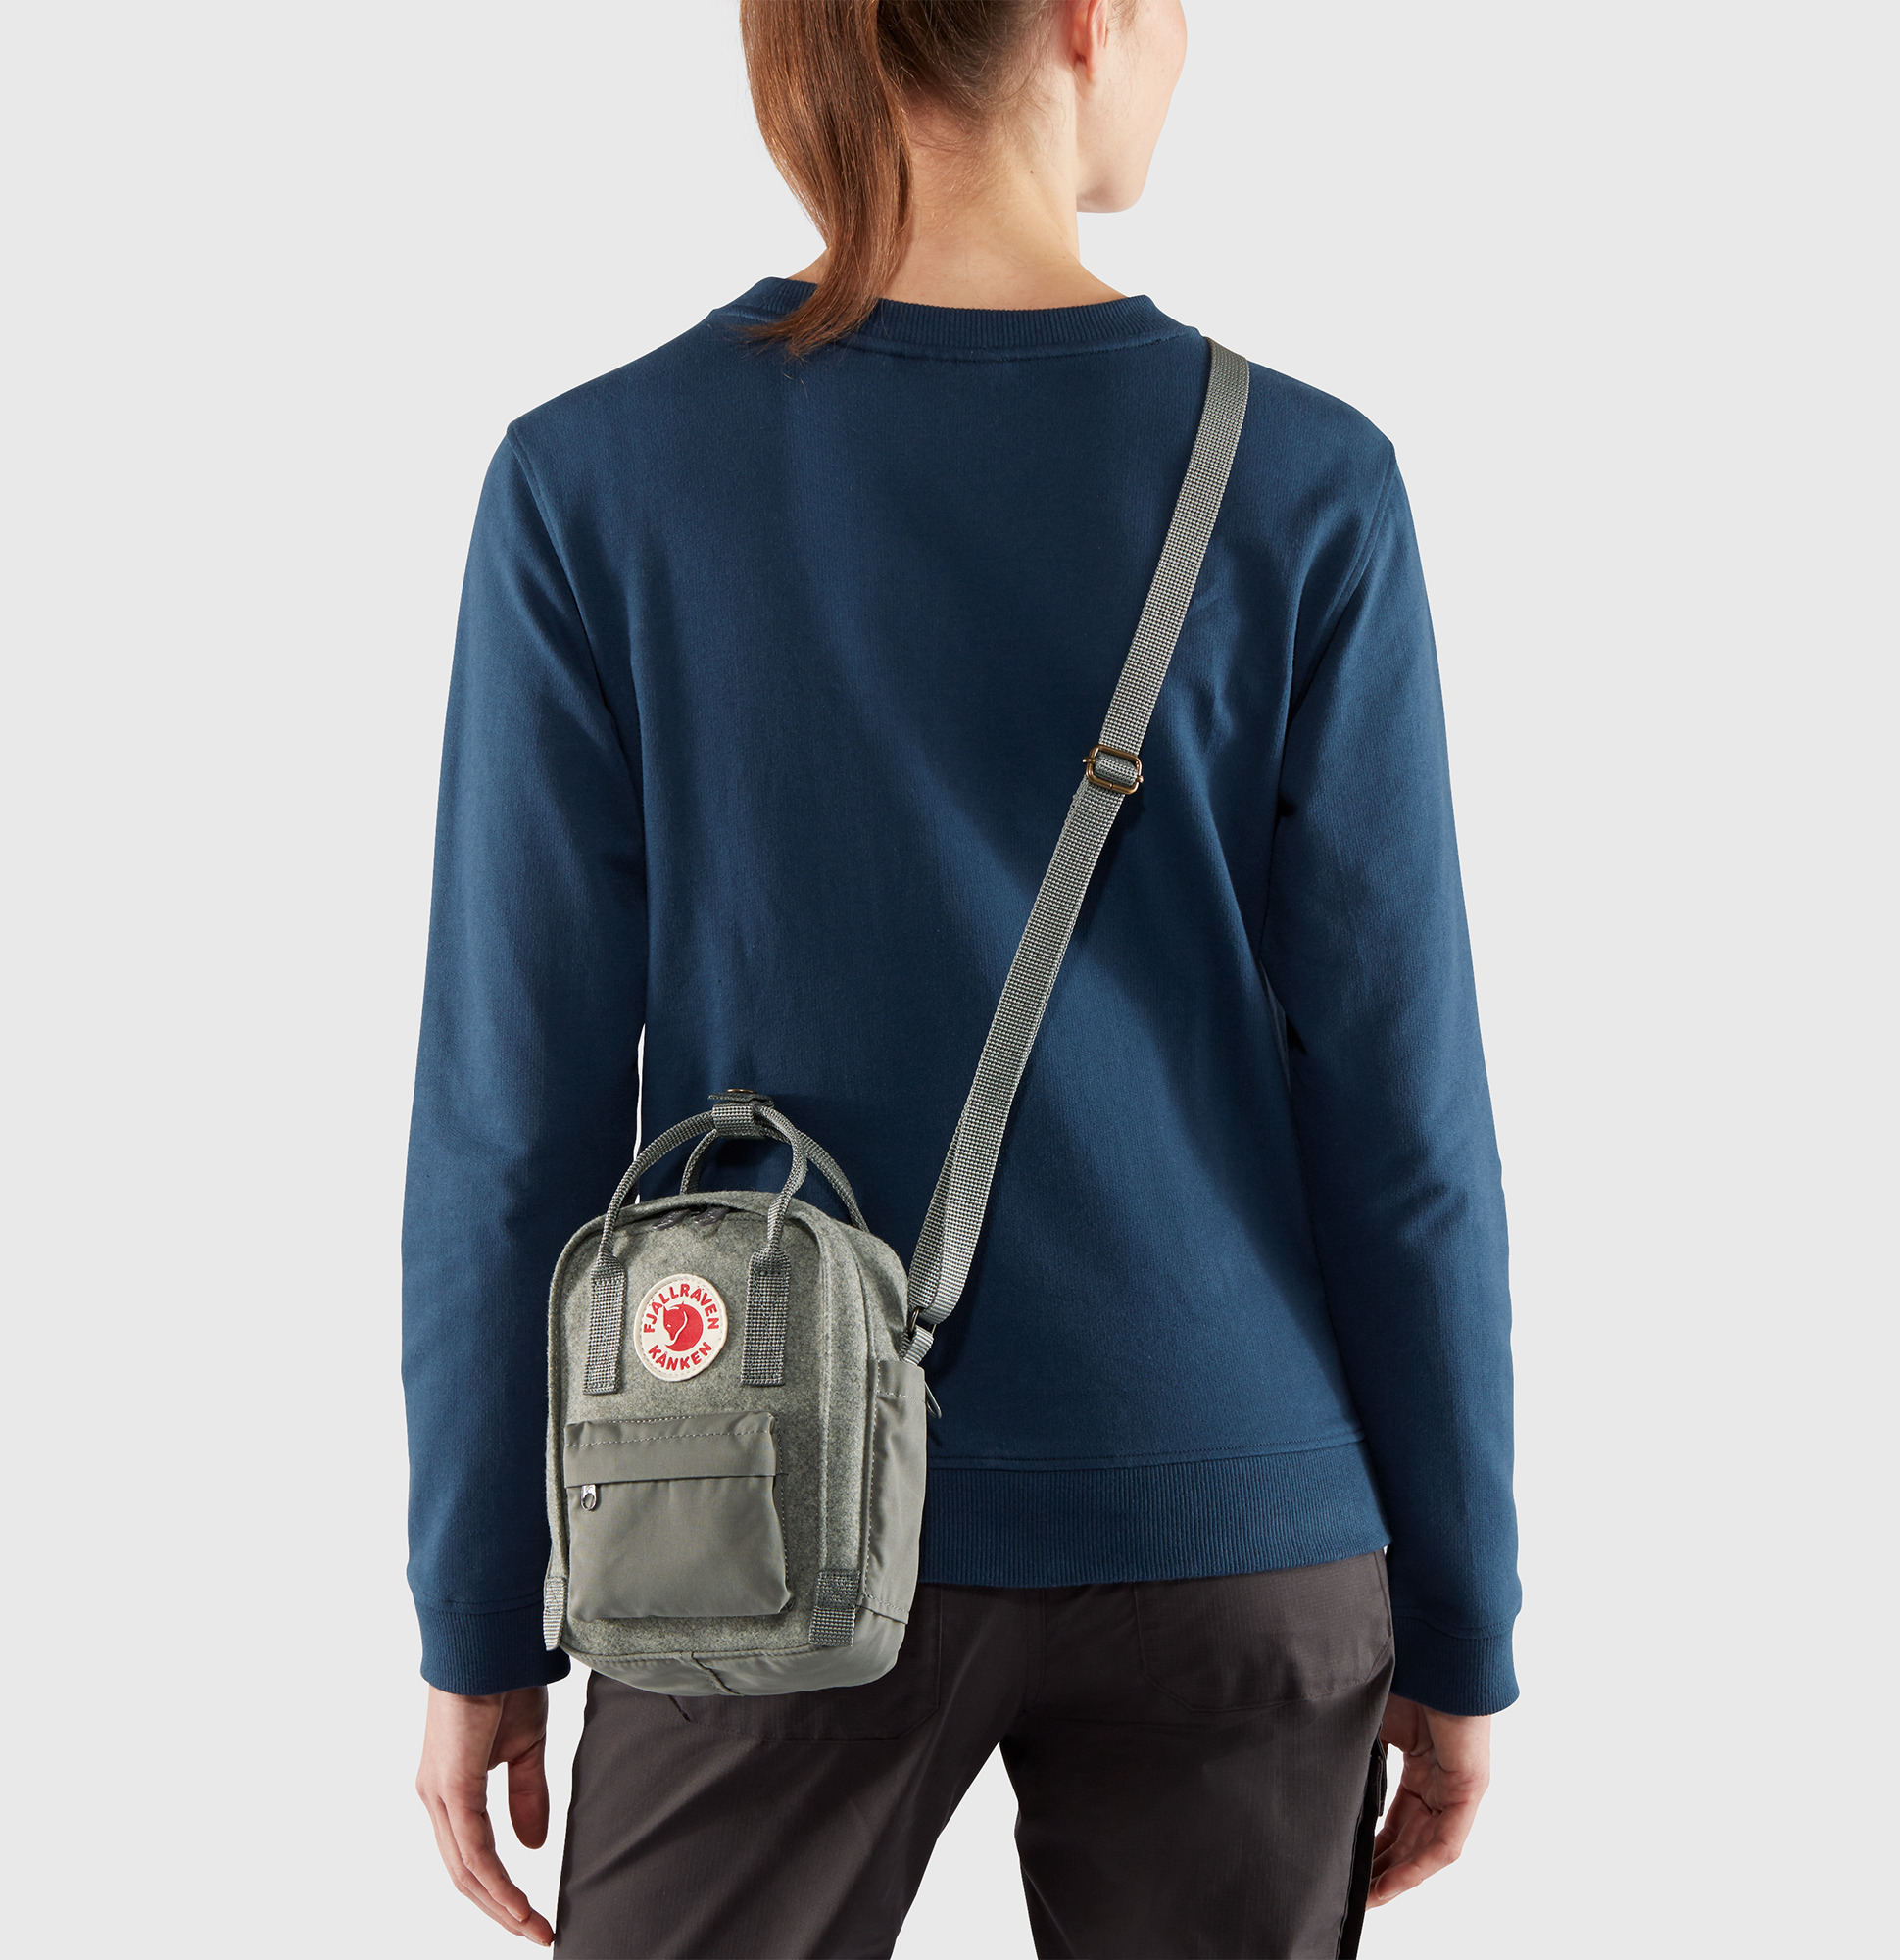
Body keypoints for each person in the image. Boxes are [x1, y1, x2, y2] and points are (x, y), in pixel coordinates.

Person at [405, 1, 1519, 1953]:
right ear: (1090, 18)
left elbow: (517, 1123)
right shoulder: (1302, 481)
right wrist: (1460, 1610)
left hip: (743, 1493)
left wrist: (481, 1606)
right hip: (1230, 1510)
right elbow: (1401, 1119)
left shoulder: (595, 477)